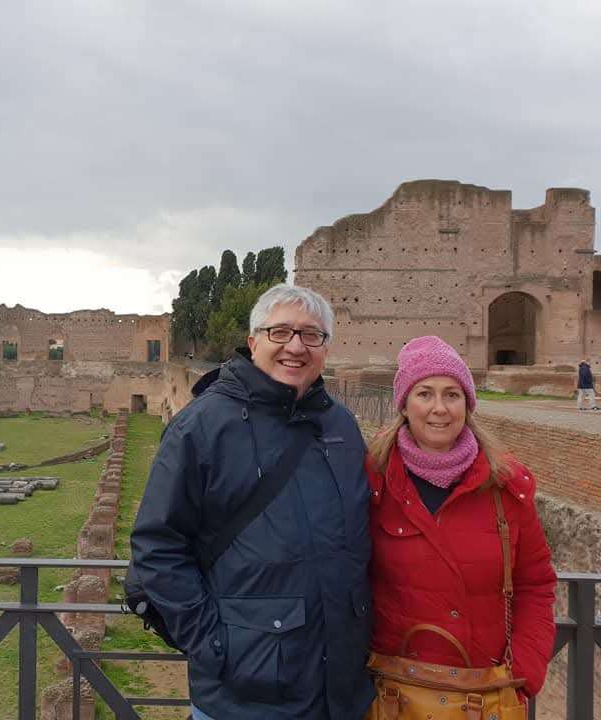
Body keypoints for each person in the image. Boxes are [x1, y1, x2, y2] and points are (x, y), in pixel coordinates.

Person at [130, 284, 374, 720]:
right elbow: (157, 547)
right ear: (253, 341)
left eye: (311, 335)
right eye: (280, 332)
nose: (295, 346)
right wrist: (216, 645)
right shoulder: (201, 426)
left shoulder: (341, 425)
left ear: (326, 348)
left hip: (340, 691)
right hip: (243, 693)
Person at [366, 336, 557, 706]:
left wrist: (524, 674)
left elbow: (535, 584)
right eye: (425, 393)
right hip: (393, 694)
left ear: (467, 404)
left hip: (483, 695)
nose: (439, 408)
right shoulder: (372, 480)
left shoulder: (505, 485)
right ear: (404, 404)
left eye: (452, 395)